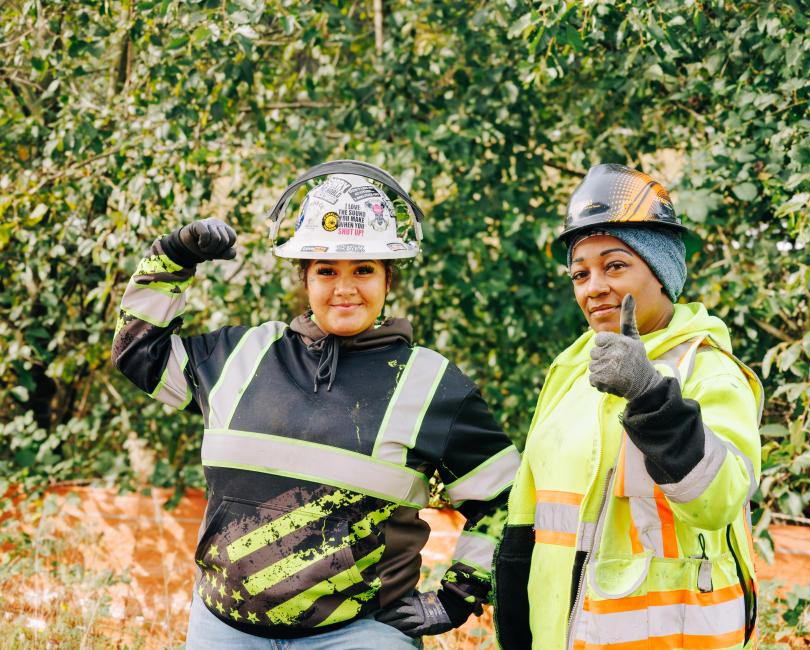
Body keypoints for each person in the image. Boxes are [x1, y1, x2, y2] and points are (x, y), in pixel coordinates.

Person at [112, 160, 520, 648]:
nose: (345, 288)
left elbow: (505, 498)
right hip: (222, 629)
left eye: (364, 270)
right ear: (304, 277)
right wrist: (173, 255)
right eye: (326, 270)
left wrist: (456, 595)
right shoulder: (240, 356)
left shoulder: (432, 384)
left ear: (389, 279)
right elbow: (138, 351)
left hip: (358, 634)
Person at [494, 163, 763, 650]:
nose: (593, 286)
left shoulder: (707, 369)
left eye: (615, 265)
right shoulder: (573, 369)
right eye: (580, 273)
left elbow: (720, 499)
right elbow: (529, 519)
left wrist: (649, 393)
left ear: (663, 273)